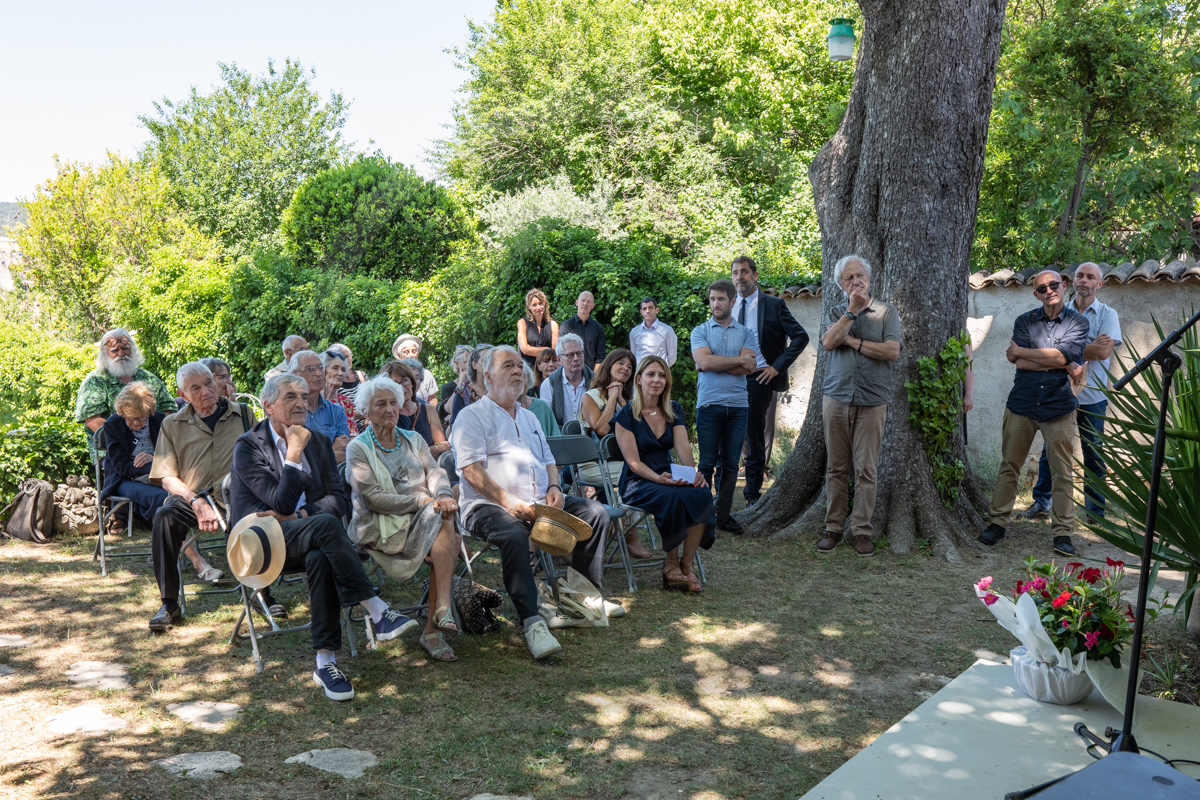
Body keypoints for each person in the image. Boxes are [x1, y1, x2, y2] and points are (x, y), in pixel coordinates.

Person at [230, 374, 419, 700]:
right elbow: (280, 503)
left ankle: (325, 662)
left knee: (321, 553)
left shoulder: (317, 441)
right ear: (269, 406)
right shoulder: (248, 446)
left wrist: (300, 516)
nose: (301, 403)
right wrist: (294, 451)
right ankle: (375, 608)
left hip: (309, 538)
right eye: (291, 397)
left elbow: (338, 499)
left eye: (304, 397)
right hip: (257, 545)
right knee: (327, 527)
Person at [451, 346, 611, 660]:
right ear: (487, 376)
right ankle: (533, 622)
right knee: (514, 533)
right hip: (487, 506)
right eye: (508, 366)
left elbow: (549, 461)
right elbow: (470, 471)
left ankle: (582, 597)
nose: (517, 371)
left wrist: (554, 486)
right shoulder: (471, 416)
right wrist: (510, 502)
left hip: (538, 501)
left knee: (595, 511)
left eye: (519, 366)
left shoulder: (530, 416)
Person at [345, 376, 462, 661]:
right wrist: (421, 502)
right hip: (379, 527)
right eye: (380, 404)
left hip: (425, 517)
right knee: (449, 534)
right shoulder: (358, 448)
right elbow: (373, 498)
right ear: (366, 411)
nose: (390, 409)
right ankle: (436, 623)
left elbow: (435, 472)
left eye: (393, 403)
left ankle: (439, 615)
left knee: (443, 518)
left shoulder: (413, 439)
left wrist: (443, 493)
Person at [980, 268, 1091, 556]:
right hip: (1023, 403)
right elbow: (1021, 364)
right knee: (1009, 466)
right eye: (1042, 289)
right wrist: (1062, 363)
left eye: (1054, 285)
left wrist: (1025, 352)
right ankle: (997, 523)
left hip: (1059, 406)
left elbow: (1060, 354)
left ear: (1064, 286)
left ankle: (1063, 533)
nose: (1049, 291)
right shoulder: (1024, 321)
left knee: (1062, 471)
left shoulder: (1078, 322)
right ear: (1036, 294)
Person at [147, 362, 252, 632]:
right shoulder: (172, 424)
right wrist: (196, 501)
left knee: (252, 514)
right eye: (195, 388)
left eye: (208, 383)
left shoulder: (243, 414)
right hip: (192, 497)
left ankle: (262, 593)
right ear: (182, 395)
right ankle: (169, 603)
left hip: (237, 496)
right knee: (164, 517)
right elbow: (166, 477)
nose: (206, 391)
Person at [1020, 262, 1120, 523]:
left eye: (1090, 277)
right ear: (1072, 281)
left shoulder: (1108, 315)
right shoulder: (1058, 311)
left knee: (1093, 451)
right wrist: (1082, 345)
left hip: (1093, 395)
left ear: (1100, 284)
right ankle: (1042, 503)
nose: (1084, 280)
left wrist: (1063, 348)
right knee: (1050, 450)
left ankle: (1095, 512)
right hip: (1059, 392)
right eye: (1080, 276)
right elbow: (1044, 348)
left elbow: (1103, 352)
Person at [817, 255, 902, 557]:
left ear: (869, 278)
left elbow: (892, 351)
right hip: (836, 397)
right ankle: (833, 528)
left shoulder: (887, 312)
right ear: (841, 284)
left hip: (873, 400)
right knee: (836, 467)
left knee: (866, 469)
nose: (857, 282)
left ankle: (862, 531)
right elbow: (828, 342)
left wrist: (852, 341)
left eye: (860, 275)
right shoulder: (835, 311)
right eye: (849, 278)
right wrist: (851, 312)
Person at [100, 384, 220, 584]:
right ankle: (198, 562)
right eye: (130, 418)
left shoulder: (160, 420)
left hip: (161, 475)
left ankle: (163, 550)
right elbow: (122, 467)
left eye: (140, 418)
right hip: (125, 481)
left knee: (182, 491)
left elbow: (176, 456)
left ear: (149, 413)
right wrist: (158, 464)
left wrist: (154, 458)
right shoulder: (113, 424)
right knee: (165, 500)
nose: (135, 423)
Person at [615, 356, 714, 592]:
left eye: (661, 375)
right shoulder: (626, 415)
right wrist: (658, 478)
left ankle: (687, 564)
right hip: (638, 479)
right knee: (672, 497)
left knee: (701, 492)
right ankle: (670, 564)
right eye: (651, 374)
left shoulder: (673, 409)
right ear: (639, 379)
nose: (657, 380)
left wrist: (692, 474)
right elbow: (633, 462)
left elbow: (683, 446)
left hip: (668, 472)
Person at [731, 256, 810, 505]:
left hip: (759, 378)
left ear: (755, 276)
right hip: (730, 378)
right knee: (729, 434)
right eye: (735, 272)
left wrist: (776, 367)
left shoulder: (774, 304)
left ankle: (752, 496)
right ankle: (722, 494)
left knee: (755, 438)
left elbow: (800, 337)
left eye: (744, 272)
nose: (739, 277)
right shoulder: (728, 303)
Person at [690, 280, 757, 535]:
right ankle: (703, 517)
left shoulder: (747, 333)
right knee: (706, 464)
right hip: (709, 404)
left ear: (732, 301)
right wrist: (736, 360)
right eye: (712, 299)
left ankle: (722, 516)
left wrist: (711, 363)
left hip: (738, 406)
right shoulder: (700, 331)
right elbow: (706, 363)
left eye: (720, 299)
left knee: (730, 465)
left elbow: (748, 368)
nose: (715, 304)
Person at [75, 328, 175, 447]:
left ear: (133, 349)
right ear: (104, 354)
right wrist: (128, 439)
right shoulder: (95, 381)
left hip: (155, 447)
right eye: (114, 350)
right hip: (114, 449)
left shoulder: (148, 378)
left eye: (125, 348)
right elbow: (92, 420)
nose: (121, 354)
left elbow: (167, 411)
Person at [288, 350, 351, 463]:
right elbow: (293, 457)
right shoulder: (288, 411)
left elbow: (345, 455)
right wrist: (331, 450)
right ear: (294, 375)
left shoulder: (337, 411)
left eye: (320, 368)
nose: (318, 373)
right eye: (310, 369)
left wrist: (313, 457)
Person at [381, 360, 452, 458]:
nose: (402, 387)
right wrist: (435, 449)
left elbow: (444, 447)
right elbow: (399, 456)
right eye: (395, 384)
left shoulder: (428, 410)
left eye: (405, 380)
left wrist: (417, 454)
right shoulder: (388, 416)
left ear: (412, 383)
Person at [539, 334, 594, 428]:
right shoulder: (548, 384)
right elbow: (547, 421)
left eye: (579, 353)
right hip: (560, 435)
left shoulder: (596, 381)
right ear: (559, 360)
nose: (576, 358)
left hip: (591, 435)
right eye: (570, 355)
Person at [560, 290, 606, 370]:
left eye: (589, 301)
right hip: (570, 371)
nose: (585, 303)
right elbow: (561, 353)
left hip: (592, 372)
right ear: (576, 302)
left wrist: (594, 376)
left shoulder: (598, 328)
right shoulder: (566, 326)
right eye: (583, 300)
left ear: (593, 306)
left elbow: (600, 357)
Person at [450, 344, 493, 427]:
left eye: (493, 360)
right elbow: (456, 425)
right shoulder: (464, 392)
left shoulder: (501, 389)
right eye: (485, 360)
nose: (489, 364)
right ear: (474, 365)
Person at [629, 296, 678, 367]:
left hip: (659, 371)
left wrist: (662, 368)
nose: (647, 311)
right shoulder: (634, 332)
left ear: (657, 310)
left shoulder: (667, 330)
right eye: (644, 308)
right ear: (641, 312)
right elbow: (633, 356)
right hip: (641, 372)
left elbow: (672, 357)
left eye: (650, 308)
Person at [327, 343, 368, 428]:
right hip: (346, 427)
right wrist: (367, 414)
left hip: (368, 426)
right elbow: (340, 412)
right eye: (340, 357)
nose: (344, 359)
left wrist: (369, 418)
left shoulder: (361, 376)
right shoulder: (334, 382)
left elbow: (373, 401)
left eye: (346, 356)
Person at [320, 350, 360, 435]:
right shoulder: (313, 400)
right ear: (323, 370)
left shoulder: (346, 402)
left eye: (343, 370)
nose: (340, 373)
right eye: (335, 368)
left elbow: (353, 434)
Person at [517, 288, 558, 368]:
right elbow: (525, 349)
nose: (538, 307)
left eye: (540, 303)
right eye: (534, 305)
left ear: (545, 304)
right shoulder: (522, 323)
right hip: (527, 369)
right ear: (529, 307)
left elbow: (554, 352)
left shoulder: (553, 324)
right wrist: (547, 349)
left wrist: (532, 350)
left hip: (546, 369)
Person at [391, 334, 439, 402]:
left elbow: (433, 399)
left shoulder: (426, 374)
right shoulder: (394, 375)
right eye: (406, 352)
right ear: (399, 355)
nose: (411, 355)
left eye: (414, 351)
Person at [521, 363, 560, 437]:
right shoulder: (500, 410)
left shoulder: (542, 406)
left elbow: (556, 439)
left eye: (523, 377)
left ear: (529, 380)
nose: (520, 382)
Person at [440, 345, 474, 424]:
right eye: (466, 362)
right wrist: (460, 383)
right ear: (457, 364)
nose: (470, 365)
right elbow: (450, 409)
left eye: (472, 361)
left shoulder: (479, 384)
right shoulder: (447, 388)